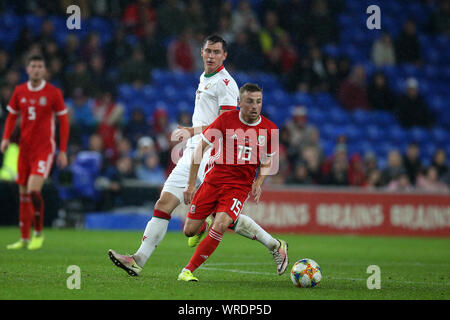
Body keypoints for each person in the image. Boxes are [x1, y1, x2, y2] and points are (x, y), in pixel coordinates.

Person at [108, 35, 287, 277]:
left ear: (224, 56)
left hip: (214, 154)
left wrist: (192, 131)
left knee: (224, 218)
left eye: (216, 52)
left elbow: (226, 126)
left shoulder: (226, 85)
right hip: (193, 149)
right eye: (208, 51)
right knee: (164, 203)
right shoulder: (205, 78)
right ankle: (137, 259)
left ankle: (273, 244)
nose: (211, 56)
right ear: (201, 53)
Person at [178, 83, 287, 282]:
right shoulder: (225, 119)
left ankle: (188, 270)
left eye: (258, 102)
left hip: (238, 187)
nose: (255, 106)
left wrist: (258, 181)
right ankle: (274, 244)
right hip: (213, 181)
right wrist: (191, 184)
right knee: (189, 231)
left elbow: (268, 159)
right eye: (249, 101)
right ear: (239, 103)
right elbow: (200, 149)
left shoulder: (270, 129)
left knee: (221, 224)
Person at [1, 55, 69, 250]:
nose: (37, 69)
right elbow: (12, 117)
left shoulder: (53, 93)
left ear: (44, 70)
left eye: (40, 66)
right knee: (23, 193)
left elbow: (63, 122)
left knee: (33, 191)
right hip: (24, 149)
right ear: (27, 69)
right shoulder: (19, 91)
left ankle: (38, 233)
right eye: (33, 66)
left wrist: (62, 150)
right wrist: (6, 138)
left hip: (44, 149)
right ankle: (24, 238)